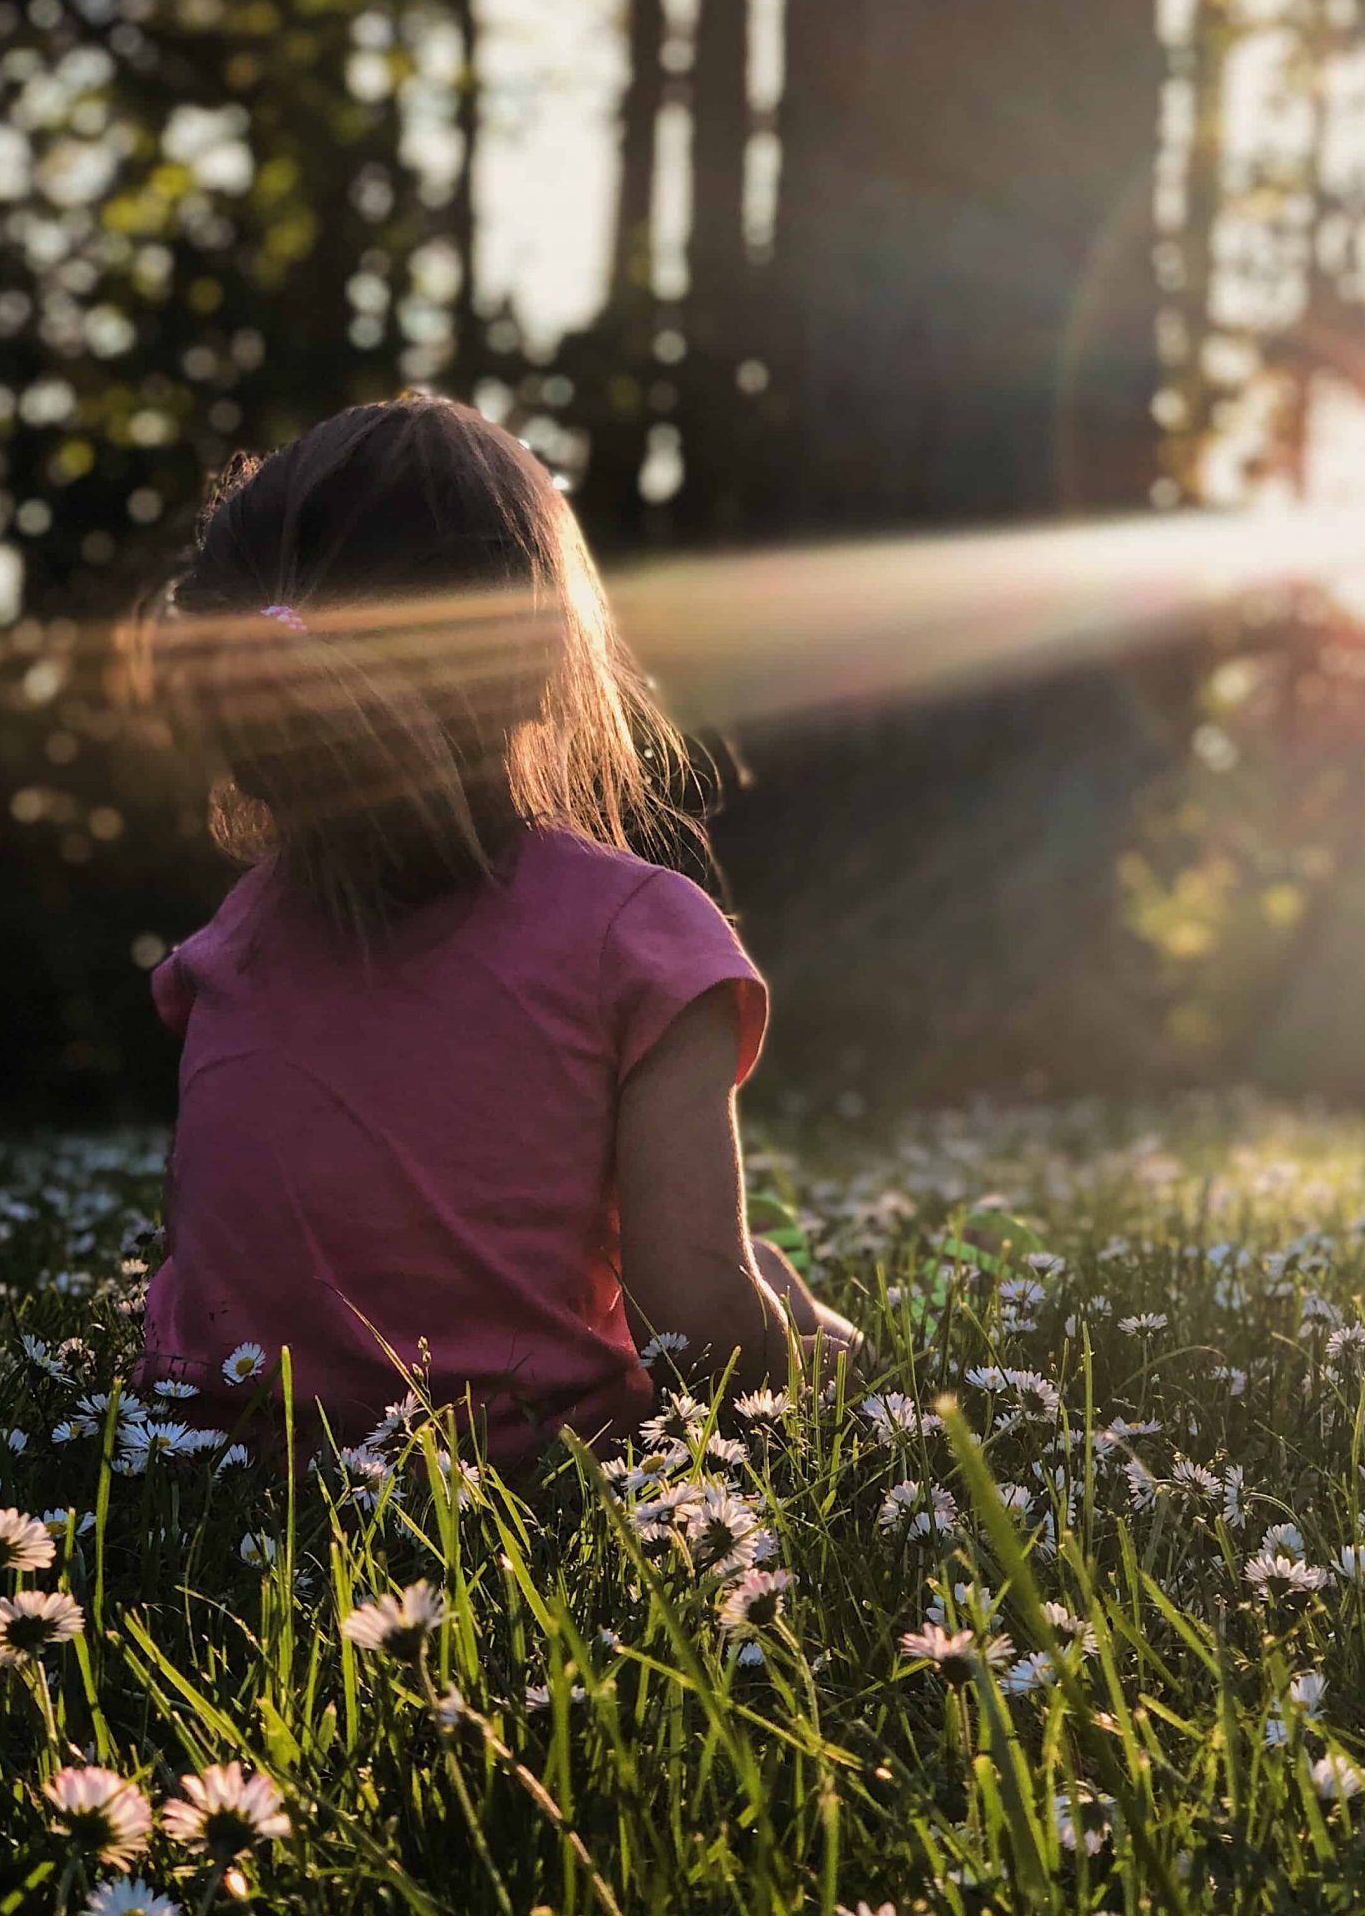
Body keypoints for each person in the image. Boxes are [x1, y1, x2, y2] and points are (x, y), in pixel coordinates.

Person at [135, 394, 860, 1466]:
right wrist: (820, 1366)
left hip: (220, 1466)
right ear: (533, 661)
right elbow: (699, 1326)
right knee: (770, 1289)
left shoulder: (230, 944)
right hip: (522, 1481)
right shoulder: (638, 938)